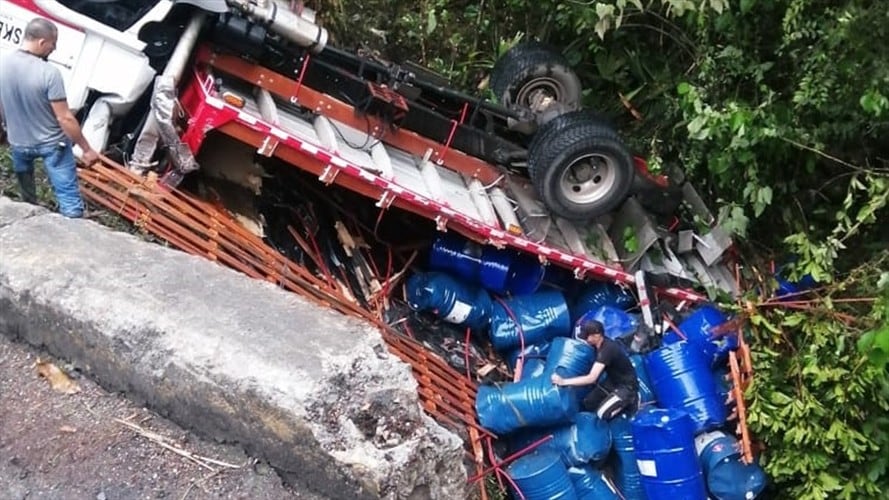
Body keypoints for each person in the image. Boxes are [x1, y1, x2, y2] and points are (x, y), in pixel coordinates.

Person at [0, 17, 99, 218]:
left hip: (18, 143)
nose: (54, 49)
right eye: (53, 43)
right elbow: (65, 118)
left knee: (26, 199)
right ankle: (73, 231)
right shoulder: (49, 73)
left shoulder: (2, 63)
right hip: (52, 145)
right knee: (69, 200)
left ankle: (28, 221)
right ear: (42, 42)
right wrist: (86, 149)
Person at [551, 319, 639, 420]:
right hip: (613, 381)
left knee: (602, 414)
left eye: (587, 336)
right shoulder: (598, 345)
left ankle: (630, 402)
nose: (585, 340)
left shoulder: (607, 350)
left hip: (627, 387)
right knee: (588, 403)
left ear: (597, 336)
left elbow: (591, 378)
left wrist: (564, 381)